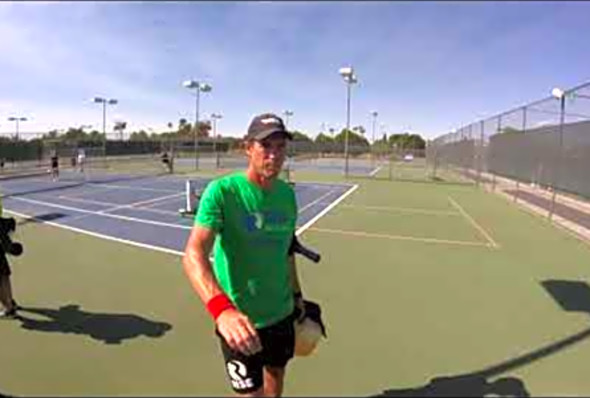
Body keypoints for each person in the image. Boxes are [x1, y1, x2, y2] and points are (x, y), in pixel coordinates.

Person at [183, 113, 306, 397]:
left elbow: (287, 251)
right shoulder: (222, 192)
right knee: (252, 394)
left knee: (276, 373)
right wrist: (222, 311)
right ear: (248, 148)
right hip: (240, 323)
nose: (274, 155)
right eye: (266, 146)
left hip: (282, 314)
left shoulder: (287, 196)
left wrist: (298, 297)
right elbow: (193, 254)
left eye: (280, 147)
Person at [0, 198, 21, 319]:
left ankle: (7, 308)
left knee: (2, 278)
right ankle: (10, 302)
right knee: (4, 276)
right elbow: (11, 224)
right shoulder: (7, 223)